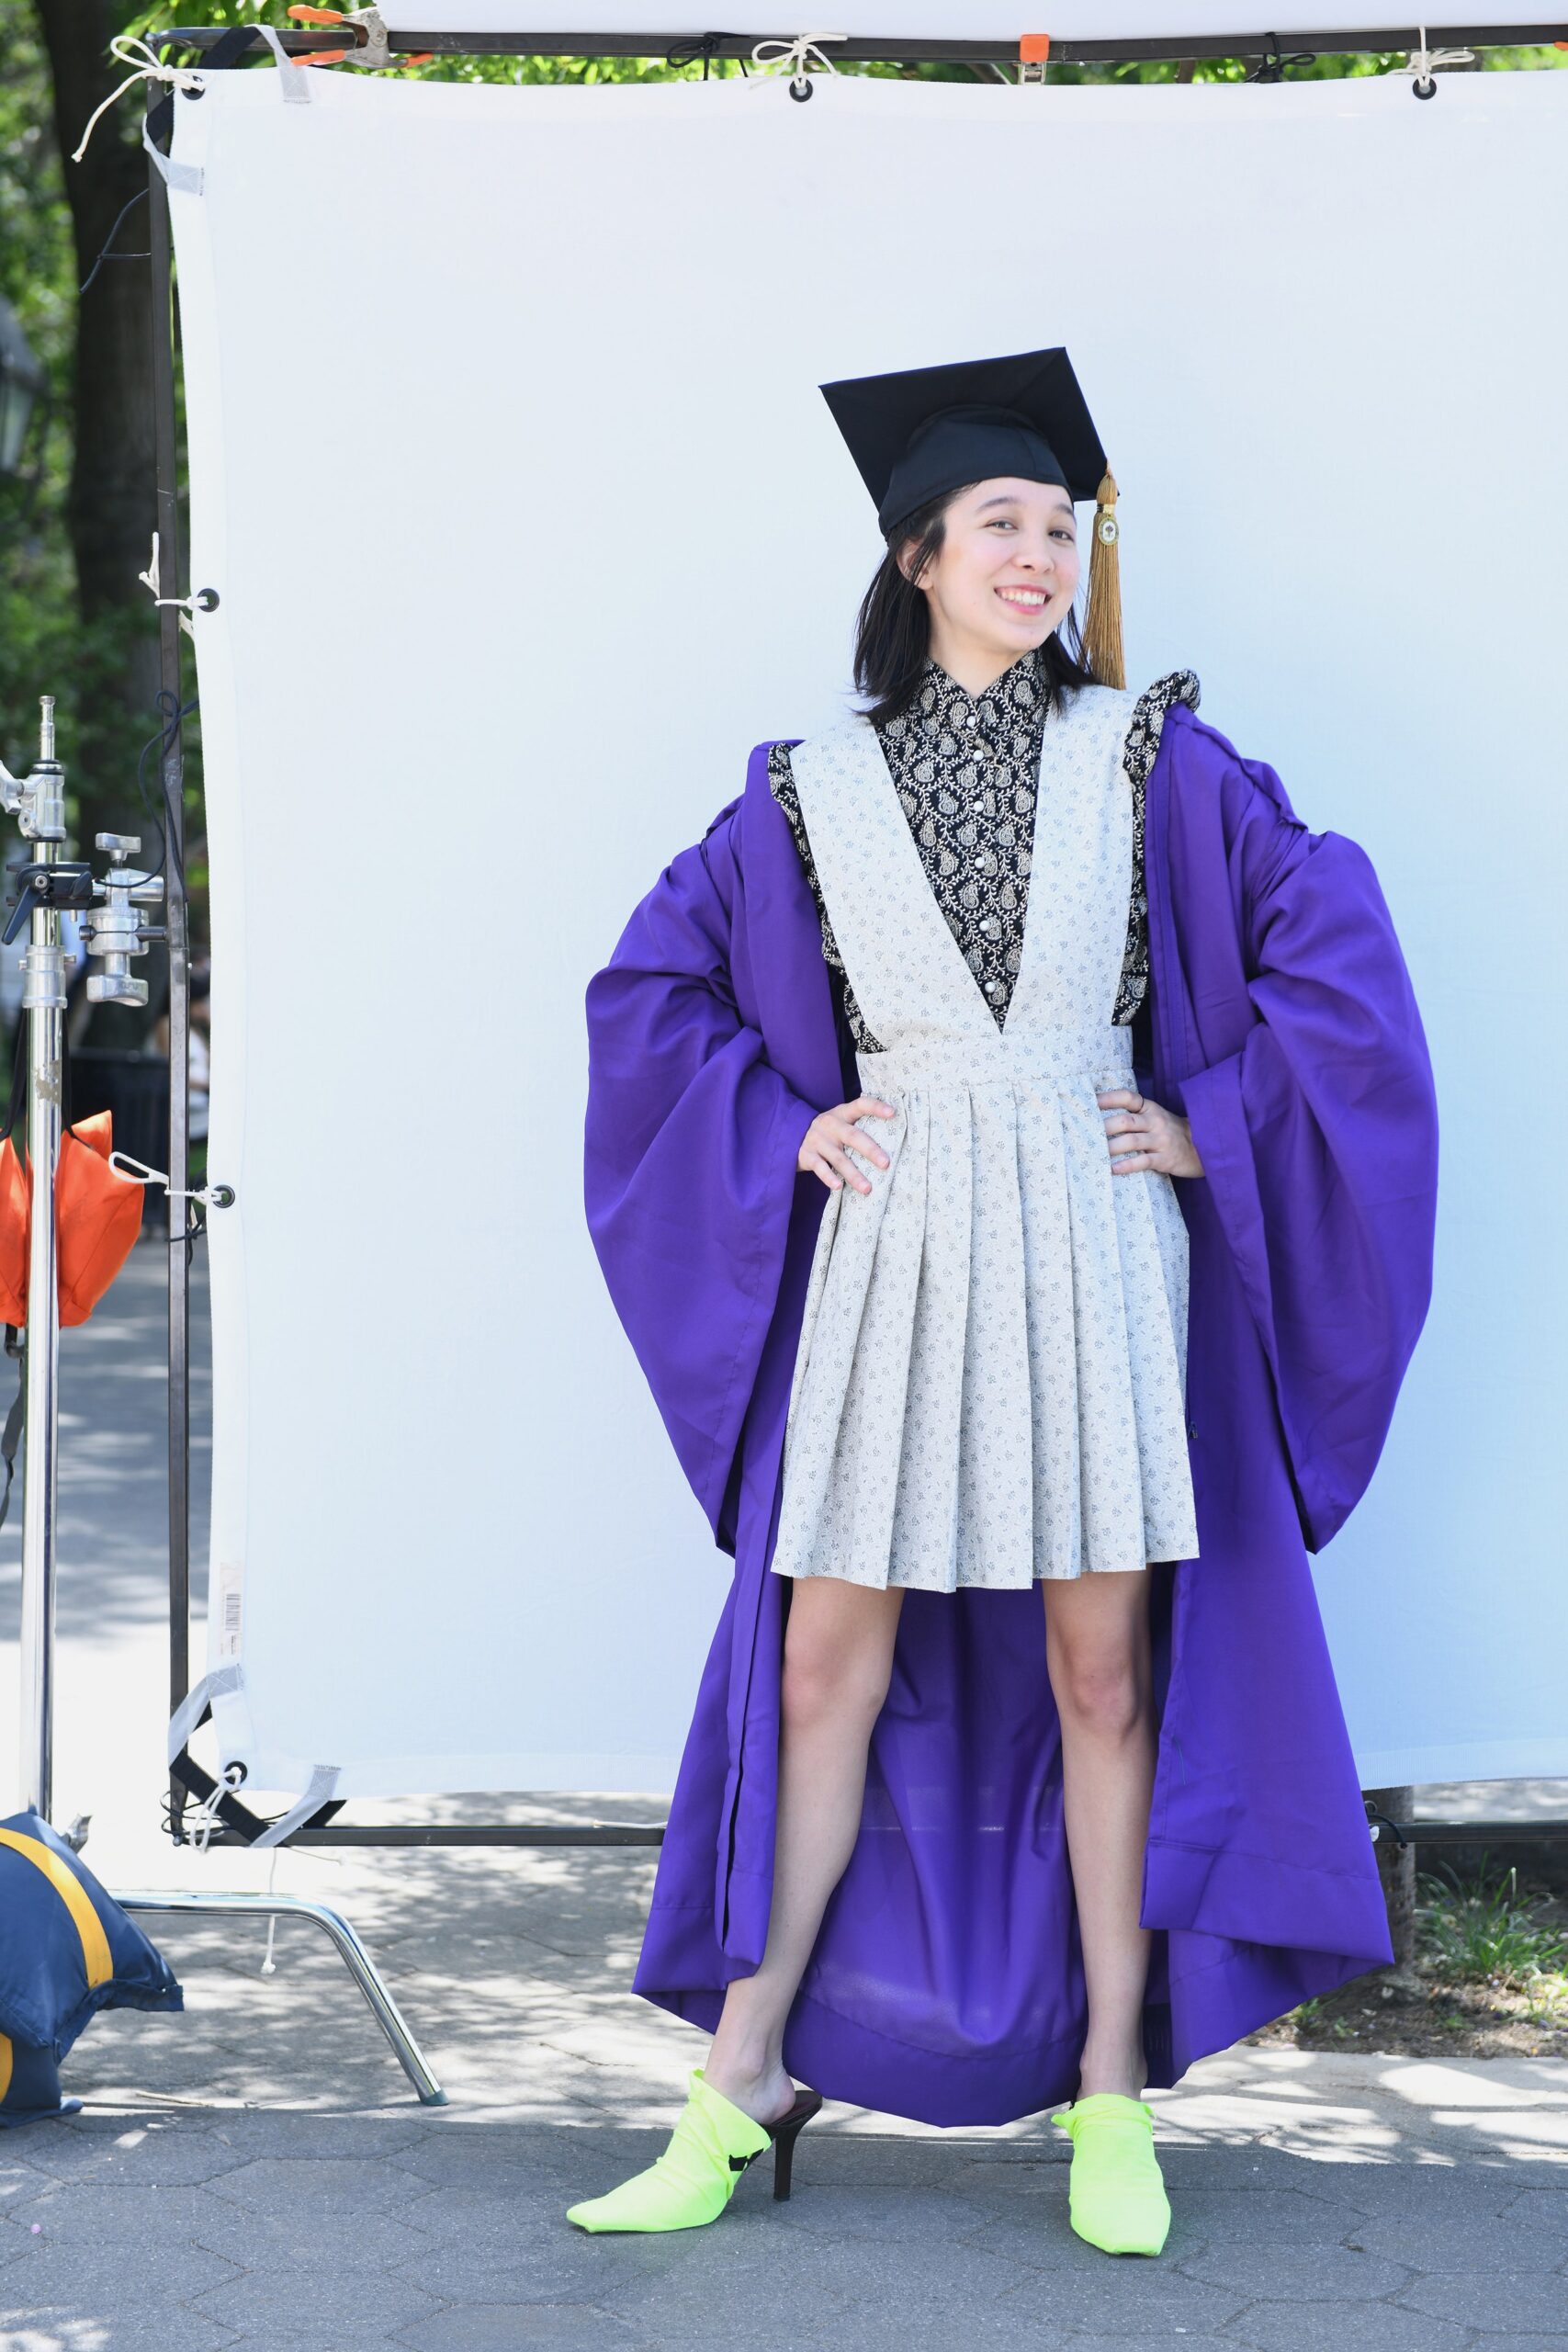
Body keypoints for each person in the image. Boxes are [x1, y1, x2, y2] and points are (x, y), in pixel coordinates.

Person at [571, 347, 1438, 2256]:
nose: (1037, 554)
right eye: (1000, 527)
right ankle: (738, 2074)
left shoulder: (1152, 758)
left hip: (1081, 1221)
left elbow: (1331, 945)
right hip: (895, 1245)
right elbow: (651, 998)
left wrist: (1212, 1122)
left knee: (1096, 1668)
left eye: (1058, 527)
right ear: (914, 557)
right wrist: (779, 1123)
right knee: (820, 1665)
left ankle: (1109, 2088)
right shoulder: (802, 792)